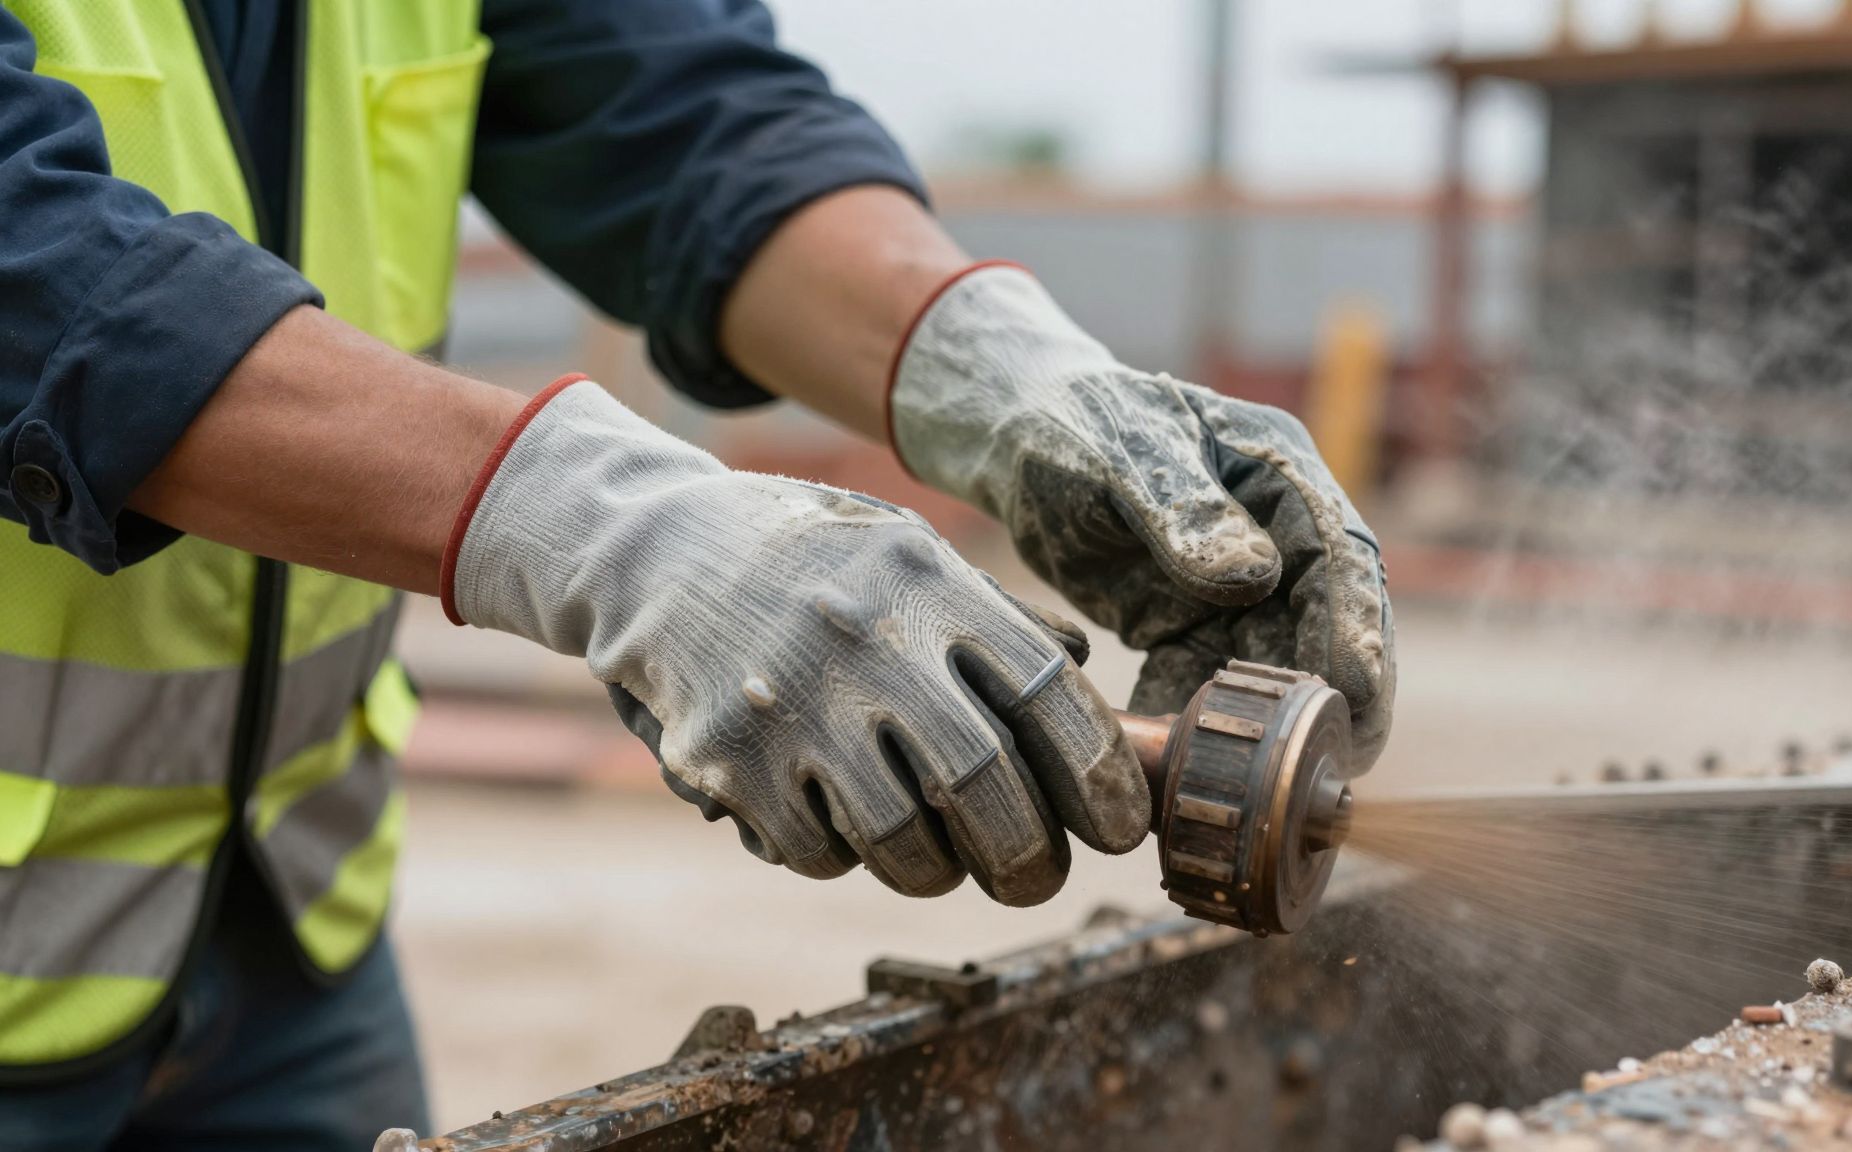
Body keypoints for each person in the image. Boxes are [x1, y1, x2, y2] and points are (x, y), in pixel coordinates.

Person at [0, 2, 1395, 1147]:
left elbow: (678, 113)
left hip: (289, 922)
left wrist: (1011, 380)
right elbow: (34, 256)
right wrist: (619, 531)